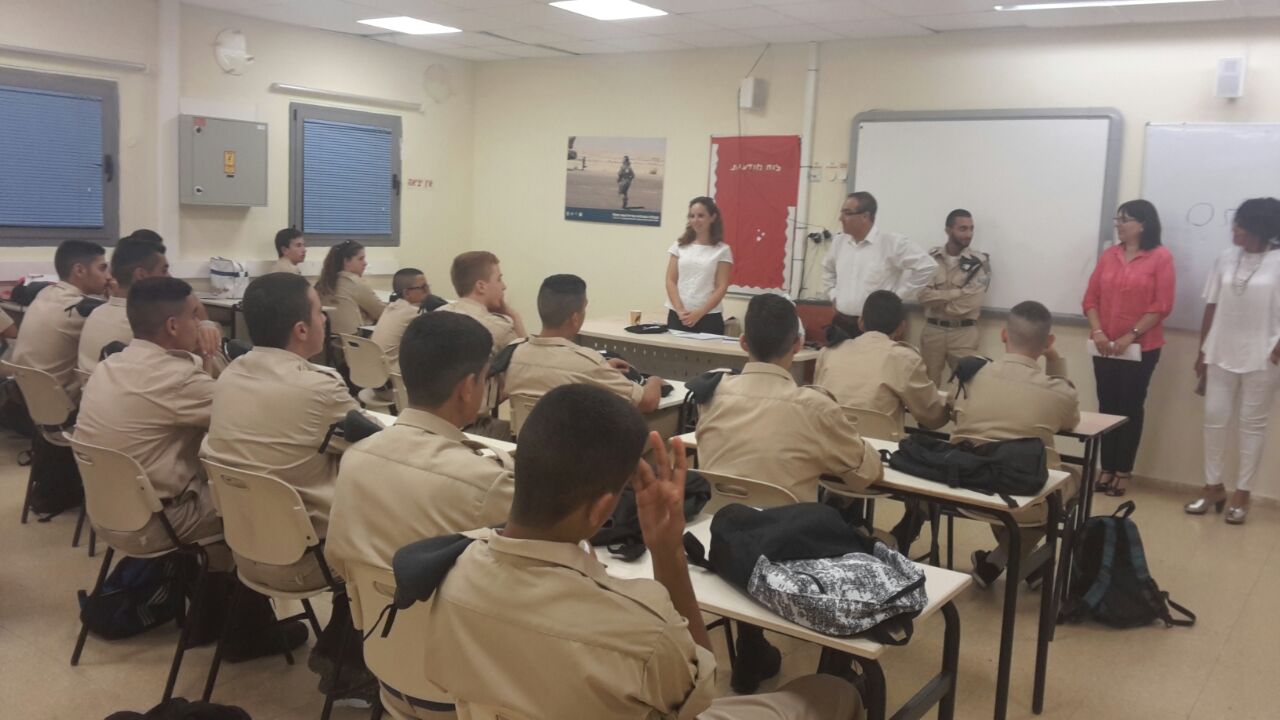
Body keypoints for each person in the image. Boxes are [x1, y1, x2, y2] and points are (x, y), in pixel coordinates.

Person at [411, 384, 861, 719]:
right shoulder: (642, 626)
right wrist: (667, 550)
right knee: (831, 692)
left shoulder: (447, 572)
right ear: (603, 509)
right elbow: (700, 696)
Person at [75, 276, 305, 660]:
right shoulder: (176, 379)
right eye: (197, 316)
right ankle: (247, 632)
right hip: (158, 522)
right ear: (173, 325)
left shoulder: (111, 364)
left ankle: (210, 612)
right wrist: (214, 354)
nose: (203, 325)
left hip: (109, 514)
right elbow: (248, 411)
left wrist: (201, 353)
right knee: (255, 506)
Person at [692, 293, 883, 693]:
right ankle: (835, 673)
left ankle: (751, 645)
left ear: (743, 343)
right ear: (797, 346)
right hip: (790, 552)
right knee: (857, 536)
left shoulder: (711, 395)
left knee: (752, 507)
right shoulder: (812, 406)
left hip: (719, 536)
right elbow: (866, 475)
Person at [326, 311, 514, 583]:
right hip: (454, 610)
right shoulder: (486, 484)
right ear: (467, 388)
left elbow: (338, 558)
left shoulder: (354, 457)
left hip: (372, 607)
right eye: (485, 379)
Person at [202, 273, 361, 589]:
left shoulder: (230, 374)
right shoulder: (319, 388)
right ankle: (350, 619)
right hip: (309, 560)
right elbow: (372, 446)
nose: (324, 319)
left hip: (242, 550)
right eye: (319, 312)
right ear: (301, 330)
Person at [950, 300, 1080, 589]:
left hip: (965, 487)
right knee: (1072, 477)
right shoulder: (1057, 391)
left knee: (995, 467)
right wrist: (1055, 360)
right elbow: (1070, 422)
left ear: (1003, 334)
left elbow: (950, 409)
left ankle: (999, 561)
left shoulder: (970, 376)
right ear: (1048, 342)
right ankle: (1011, 561)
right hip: (1023, 497)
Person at [1187, 197, 1280, 525]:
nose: (1234, 229)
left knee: (1252, 425)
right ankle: (1213, 487)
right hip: (1220, 350)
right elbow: (1211, 305)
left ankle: (1243, 493)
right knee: (1214, 418)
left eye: (1241, 224)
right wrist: (1202, 352)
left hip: (1264, 354)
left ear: (1260, 227)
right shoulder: (1225, 258)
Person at [1082, 200, 1176, 498]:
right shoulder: (1109, 255)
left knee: (1130, 407)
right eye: (1117, 219)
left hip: (1140, 348)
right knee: (1107, 405)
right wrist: (1098, 331)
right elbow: (1090, 299)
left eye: (1125, 220)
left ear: (1143, 224)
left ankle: (1123, 471)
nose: (1118, 225)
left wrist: (1131, 335)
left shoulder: (1160, 257)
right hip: (1104, 346)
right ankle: (1106, 467)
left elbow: (1162, 306)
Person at [506, 274, 664, 412]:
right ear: (575, 318)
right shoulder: (586, 364)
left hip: (524, 436)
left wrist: (604, 370)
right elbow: (647, 402)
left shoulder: (513, 353)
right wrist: (654, 380)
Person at [78, 235, 227, 377]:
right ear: (141, 275)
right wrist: (202, 323)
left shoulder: (95, 314)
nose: (169, 277)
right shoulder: (150, 326)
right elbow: (211, 374)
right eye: (164, 270)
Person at [815, 290, 948, 431]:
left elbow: (816, 398)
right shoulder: (905, 359)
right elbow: (933, 417)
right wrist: (950, 401)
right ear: (901, 328)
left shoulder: (829, 352)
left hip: (825, 437)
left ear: (860, 322)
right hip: (878, 443)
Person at [821, 192, 935, 339]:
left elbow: (927, 266)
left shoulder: (891, 243)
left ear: (865, 216)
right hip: (841, 322)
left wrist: (895, 298)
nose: (841, 218)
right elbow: (828, 270)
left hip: (875, 326)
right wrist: (833, 294)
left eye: (847, 213)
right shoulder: (839, 242)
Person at [437, 251, 526, 437]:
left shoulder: (436, 315)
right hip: (472, 427)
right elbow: (526, 363)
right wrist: (515, 316)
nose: (504, 286)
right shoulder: (497, 326)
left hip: (433, 420)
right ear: (481, 286)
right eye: (499, 279)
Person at [12, 239, 110, 397]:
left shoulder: (45, 293)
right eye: (102, 269)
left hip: (27, 395)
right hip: (63, 401)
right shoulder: (80, 309)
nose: (108, 277)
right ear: (79, 270)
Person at [918, 209, 991, 386]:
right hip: (933, 331)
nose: (969, 234)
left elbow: (971, 302)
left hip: (963, 333)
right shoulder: (930, 259)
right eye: (963, 229)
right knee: (927, 387)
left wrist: (938, 301)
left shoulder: (979, 263)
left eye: (971, 229)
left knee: (965, 387)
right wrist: (956, 293)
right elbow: (922, 295)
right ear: (948, 230)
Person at [665, 196, 733, 335]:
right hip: (678, 316)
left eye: (701, 216)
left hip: (708, 317)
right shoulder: (679, 246)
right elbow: (670, 280)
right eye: (692, 216)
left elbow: (721, 287)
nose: (696, 220)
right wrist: (680, 310)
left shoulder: (723, 250)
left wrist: (699, 313)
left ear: (712, 217)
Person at [315, 239, 384, 337]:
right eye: (360, 259)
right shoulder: (355, 283)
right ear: (346, 261)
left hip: (329, 340)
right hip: (357, 340)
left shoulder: (321, 284)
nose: (365, 263)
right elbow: (382, 313)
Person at [369, 267, 430, 372]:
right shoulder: (413, 313)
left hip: (375, 369)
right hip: (393, 374)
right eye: (423, 287)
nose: (428, 291)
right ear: (407, 293)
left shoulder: (390, 307)